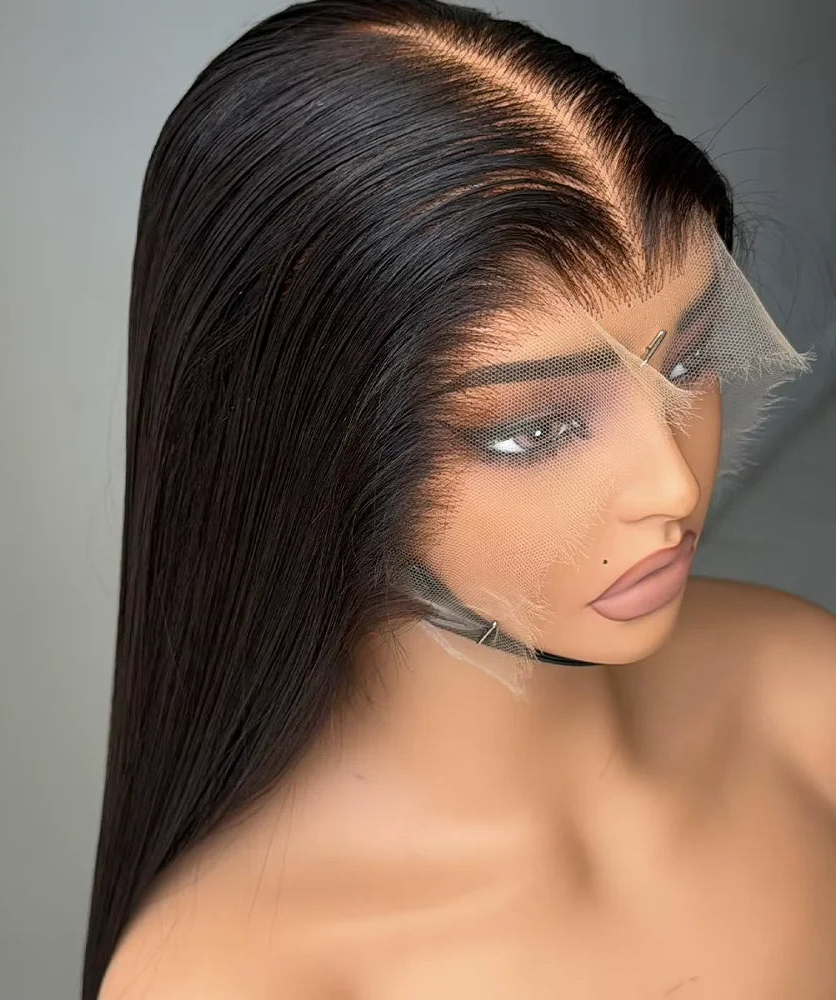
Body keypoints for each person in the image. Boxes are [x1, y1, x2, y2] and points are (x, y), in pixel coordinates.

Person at [82, 2, 836, 997]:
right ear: (318, 450)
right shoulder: (236, 974)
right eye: (532, 430)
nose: (674, 483)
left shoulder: (801, 688)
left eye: (689, 360)